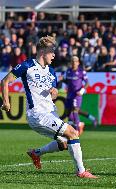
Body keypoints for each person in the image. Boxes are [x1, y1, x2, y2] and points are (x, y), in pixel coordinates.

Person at [1, 36, 97, 179]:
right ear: (42, 51)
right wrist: (6, 101)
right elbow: (5, 81)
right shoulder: (27, 65)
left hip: (50, 112)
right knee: (73, 132)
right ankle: (81, 172)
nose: (54, 55)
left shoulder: (51, 72)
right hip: (37, 114)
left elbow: (53, 94)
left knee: (65, 143)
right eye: (51, 51)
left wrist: (55, 92)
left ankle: (36, 153)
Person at [60, 56, 97, 135]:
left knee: (75, 110)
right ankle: (77, 126)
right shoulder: (68, 71)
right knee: (69, 112)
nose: (74, 63)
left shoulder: (81, 72)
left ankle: (77, 129)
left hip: (77, 95)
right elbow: (68, 82)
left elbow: (87, 83)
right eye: (72, 61)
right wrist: (62, 79)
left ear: (78, 63)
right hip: (69, 94)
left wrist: (82, 90)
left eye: (76, 61)